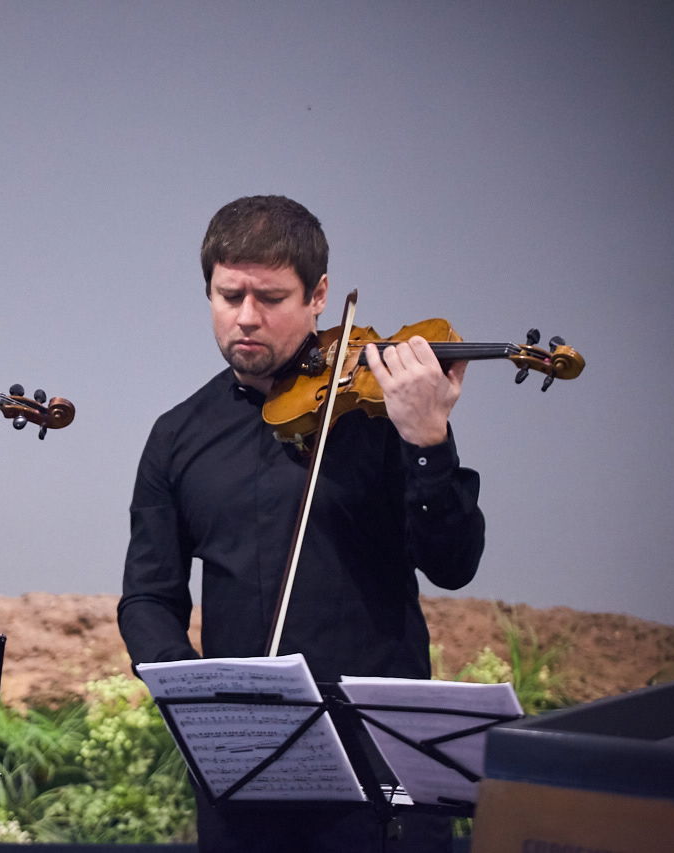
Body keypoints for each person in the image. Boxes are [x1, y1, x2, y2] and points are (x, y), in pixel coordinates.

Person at [118, 196, 485, 852]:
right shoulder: (176, 436)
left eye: (271, 296)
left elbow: (454, 561)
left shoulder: (384, 412)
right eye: (230, 295)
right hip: (246, 774)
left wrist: (429, 438)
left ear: (319, 296)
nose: (247, 317)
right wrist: (197, 696)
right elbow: (148, 595)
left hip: (381, 770)